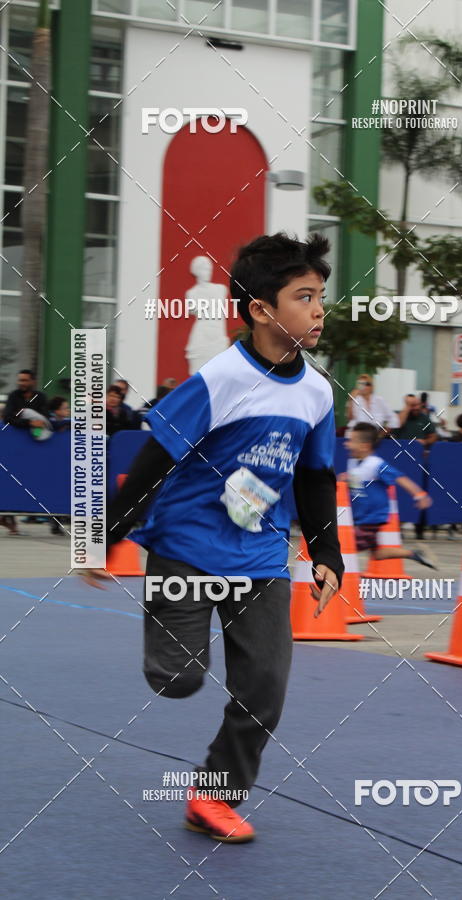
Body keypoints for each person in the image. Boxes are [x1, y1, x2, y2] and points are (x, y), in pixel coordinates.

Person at [80, 232, 344, 844]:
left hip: (261, 557)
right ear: (261, 309)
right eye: (304, 297)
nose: (318, 310)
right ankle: (167, 638)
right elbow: (154, 461)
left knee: (265, 688)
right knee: (178, 679)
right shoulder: (219, 379)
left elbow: (315, 478)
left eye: (320, 297)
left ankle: (214, 796)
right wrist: (104, 535)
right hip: (187, 549)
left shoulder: (316, 392)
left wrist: (326, 552)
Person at [343, 423, 436, 568]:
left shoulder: (375, 464)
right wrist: (345, 479)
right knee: (377, 553)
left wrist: (419, 494)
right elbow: (355, 482)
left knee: (344, 546)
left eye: (351, 441)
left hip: (372, 517)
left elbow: (400, 478)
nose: (346, 444)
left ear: (364, 446)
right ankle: (414, 554)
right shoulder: (354, 463)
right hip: (361, 517)